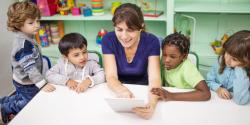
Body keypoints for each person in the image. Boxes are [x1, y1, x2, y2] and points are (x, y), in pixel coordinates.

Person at [102, 3, 161, 119]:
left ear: (141, 27)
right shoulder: (108, 39)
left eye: (130, 30)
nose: (124, 36)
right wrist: (122, 90)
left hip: (144, 91)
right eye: (119, 29)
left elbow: (155, 79)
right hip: (118, 92)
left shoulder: (152, 41)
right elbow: (111, 76)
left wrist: (152, 104)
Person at [0, 2, 50, 124]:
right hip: (26, 81)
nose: (37, 25)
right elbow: (30, 68)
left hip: (24, 79)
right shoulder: (23, 45)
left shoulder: (27, 37)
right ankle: (4, 109)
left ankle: (3, 101)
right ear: (18, 24)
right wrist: (42, 84)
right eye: (31, 23)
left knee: (21, 96)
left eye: (38, 21)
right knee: (28, 103)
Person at [151, 32, 211, 101]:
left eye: (172, 57)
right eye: (164, 55)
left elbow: (206, 93)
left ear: (184, 56)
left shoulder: (187, 68)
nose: (166, 60)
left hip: (187, 102)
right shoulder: (163, 61)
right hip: (171, 100)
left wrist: (171, 96)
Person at [206, 30, 250, 105]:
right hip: (217, 104)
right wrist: (218, 89)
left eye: (234, 59)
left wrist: (240, 68)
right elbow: (209, 81)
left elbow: (240, 100)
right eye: (227, 52)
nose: (227, 60)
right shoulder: (220, 60)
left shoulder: (244, 71)